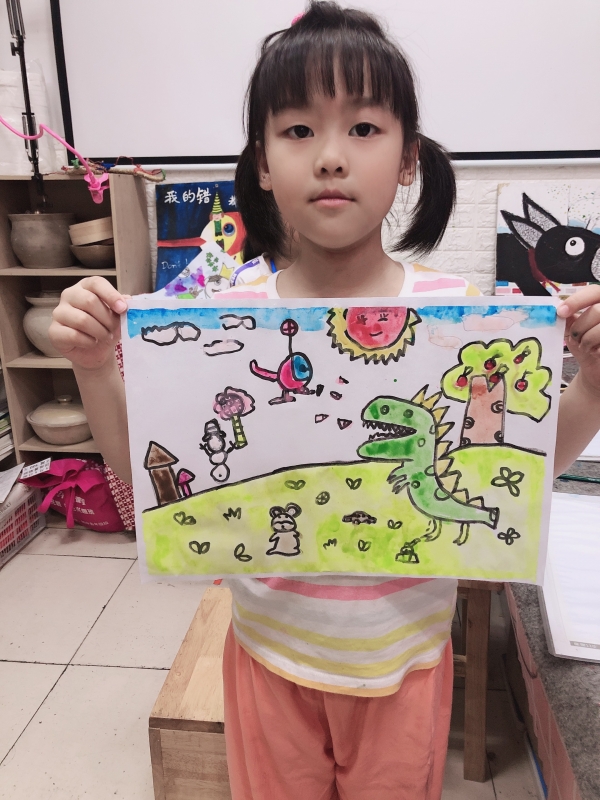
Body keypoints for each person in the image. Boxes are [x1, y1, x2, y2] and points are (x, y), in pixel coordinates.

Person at [49, 4, 600, 798]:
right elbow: (148, 483)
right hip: (266, 659)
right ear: (262, 163)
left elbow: (525, 467)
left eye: (364, 128)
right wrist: (94, 366)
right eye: (299, 130)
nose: (332, 156)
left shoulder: (462, 316)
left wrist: (595, 384)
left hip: (405, 668)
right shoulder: (222, 316)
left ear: (408, 159)